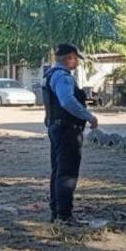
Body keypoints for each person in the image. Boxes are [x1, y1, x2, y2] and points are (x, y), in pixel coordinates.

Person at [42, 43, 98, 225]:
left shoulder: (49, 75)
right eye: (76, 59)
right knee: (67, 174)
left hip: (56, 128)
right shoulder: (63, 77)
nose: (77, 63)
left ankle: (56, 212)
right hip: (67, 130)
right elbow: (67, 101)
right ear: (69, 57)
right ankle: (65, 216)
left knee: (58, 171)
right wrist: (89, 116)